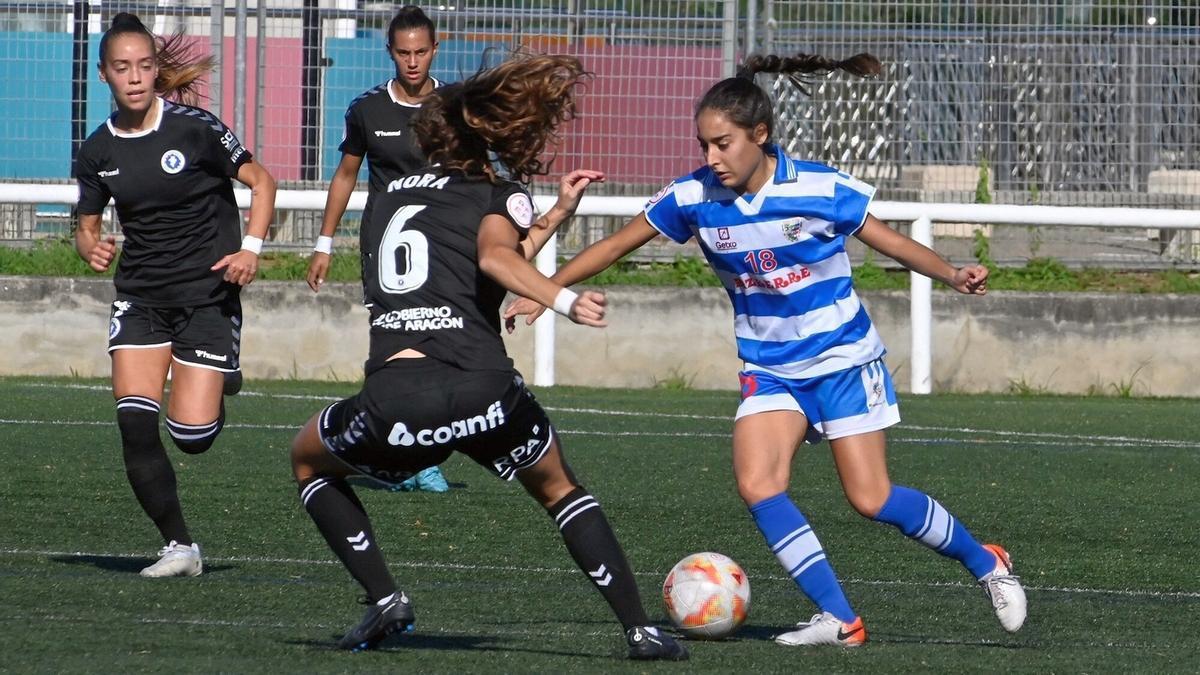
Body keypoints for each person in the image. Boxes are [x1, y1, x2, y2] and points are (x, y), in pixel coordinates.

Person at [505, 52, 1027, 647]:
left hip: (842, 360)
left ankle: (986, 561)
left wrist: (953, 274)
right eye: (703, 145)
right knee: (758, 485)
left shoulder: (818, 187)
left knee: (871, 498)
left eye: (723, 144)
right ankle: (841, 620)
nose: (711, 158)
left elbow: (892, 242)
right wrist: (548, 292)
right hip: (770, 368)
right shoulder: (693, 197)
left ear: (761, 135)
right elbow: (620, 244)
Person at [288, 53, 688, 660]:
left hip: (399, 403)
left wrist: (554, 215)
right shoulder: (494, 193)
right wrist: (563, 299)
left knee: (309, 462)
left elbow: (469, 254)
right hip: (483, 392)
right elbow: (496, 259)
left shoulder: (387, 198)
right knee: (559, 490)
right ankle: (639, 630)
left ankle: (384, 597)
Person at [74, 12, 277, 577]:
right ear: (104, 75)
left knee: (192, 437)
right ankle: (180, 548)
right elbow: (85, 222)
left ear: (156, 69)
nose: (135, 77)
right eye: (122, 68)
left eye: (144, 65)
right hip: (140, 298)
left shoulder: (195, 128)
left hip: (207, 297)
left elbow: (263, 181)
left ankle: (222, 366)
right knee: (135, 422)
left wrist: (252, 249)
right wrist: (88, 246)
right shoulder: (97, 151)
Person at [307, 4, 448, 492]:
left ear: (436, 48)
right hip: (387, 252)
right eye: (403, 53)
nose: (413, 62)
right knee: (396, 352)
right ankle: (408, 456)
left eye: (421, 52)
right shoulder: (367, 110)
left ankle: (409, 449)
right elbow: (346, 175)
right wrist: (324, 242)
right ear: (390, 52)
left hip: (446, 248)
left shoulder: (456, 107)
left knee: (443, 350)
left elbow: (478, 175)